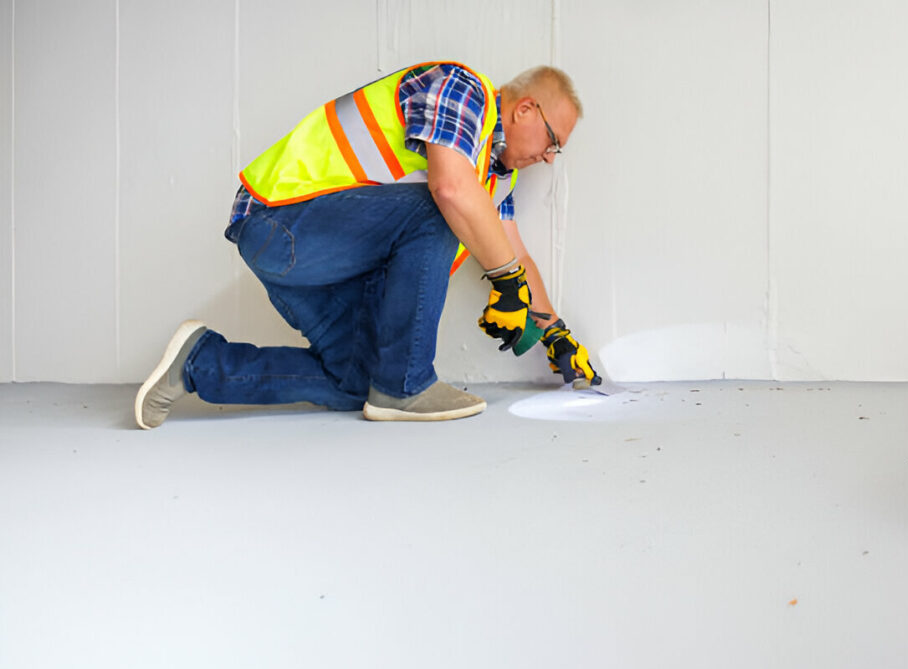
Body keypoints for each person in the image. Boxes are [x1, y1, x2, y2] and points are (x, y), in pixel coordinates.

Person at [135, 61, 598, 428]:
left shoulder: (494, 181)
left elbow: (514, 253)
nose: (549, 158)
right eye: (553, 143)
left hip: (323, 266)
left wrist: (556, 332)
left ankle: (198, 363)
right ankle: (407, 385)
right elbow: (451, 190)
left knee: (355, 381)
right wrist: (507, 282)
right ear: (524, 111)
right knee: (443, 206)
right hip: (280, 224)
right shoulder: (462, 89)